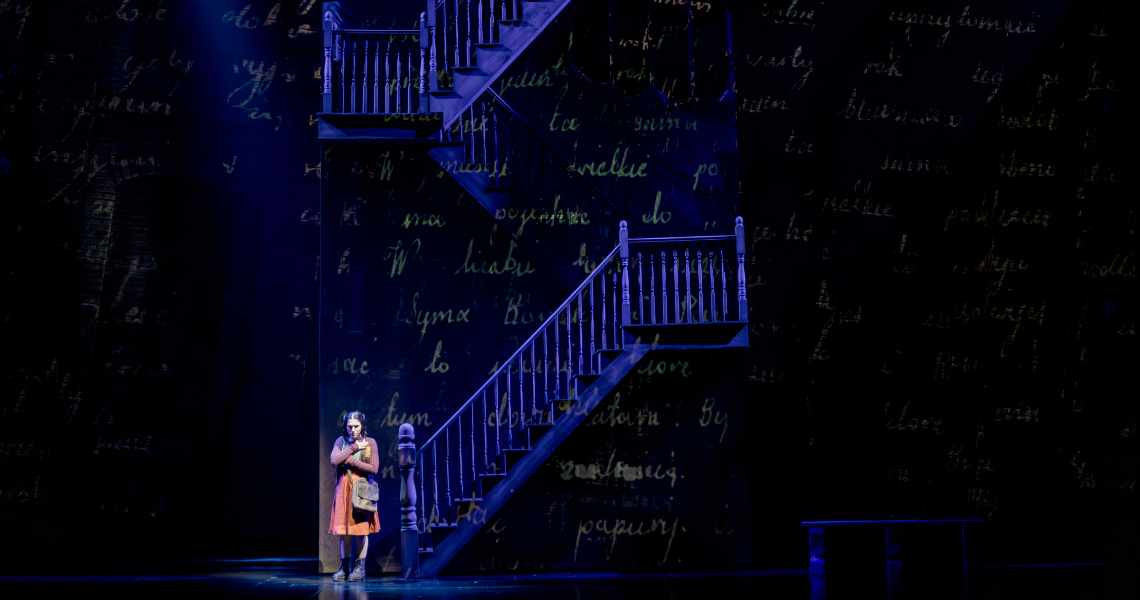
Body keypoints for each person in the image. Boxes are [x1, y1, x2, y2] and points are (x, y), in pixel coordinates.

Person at [329, 411, 380, 582]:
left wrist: (350, 461)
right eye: (349, 426)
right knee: (344, 531)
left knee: (360, 530)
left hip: (361, 490)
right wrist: (352, 448)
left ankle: (360, 567)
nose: (352, 429)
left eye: (356, 426)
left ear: (362, 425)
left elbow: (373, 468)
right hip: (343, 489)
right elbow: (334, 460)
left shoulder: (370, 442)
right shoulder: (341, 441)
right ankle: (344, 567)